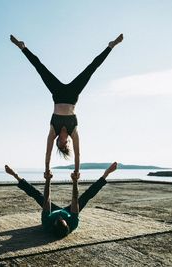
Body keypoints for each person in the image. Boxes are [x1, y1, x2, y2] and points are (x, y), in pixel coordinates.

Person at [10, 35, 123, 180]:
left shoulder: (53, 132)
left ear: (58, 142)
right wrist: (76, 171)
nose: (66, 142)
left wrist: (47, 170)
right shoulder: (73, 132)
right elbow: (78, 154)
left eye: (62, 144)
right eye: (66, 144)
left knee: (40, 68)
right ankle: (111, 46)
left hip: (57, 94)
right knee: (91, 69)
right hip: (72, 96)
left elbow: (47, 153)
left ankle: (22, 47)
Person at [4, 162, 118, 238]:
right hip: (69, 212)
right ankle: (106, 174)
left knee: (37, 196)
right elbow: (75, 199)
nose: (61, 216)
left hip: (52, 213)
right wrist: (75, 181)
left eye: (59, 218)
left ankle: (15, 175)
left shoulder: (47, 222)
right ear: (67, 223)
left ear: (53, 223)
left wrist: (48, 179)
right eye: (63, 219)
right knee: (86, 197)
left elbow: (47, 199)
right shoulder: (73, 222)